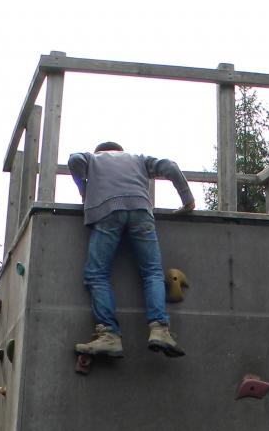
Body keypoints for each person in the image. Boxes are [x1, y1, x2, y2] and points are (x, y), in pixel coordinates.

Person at [68, 142, 195, 359]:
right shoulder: (138, 159)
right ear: (121, 151)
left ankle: (109, 335)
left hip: (107, 213)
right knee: (152, 272)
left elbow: (74, 160)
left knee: (97, 274)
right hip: (141, 211)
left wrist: (85, 192)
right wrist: (187, 201)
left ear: (101, 151)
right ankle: (160, 329)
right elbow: (170, 166)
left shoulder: (93, 158)